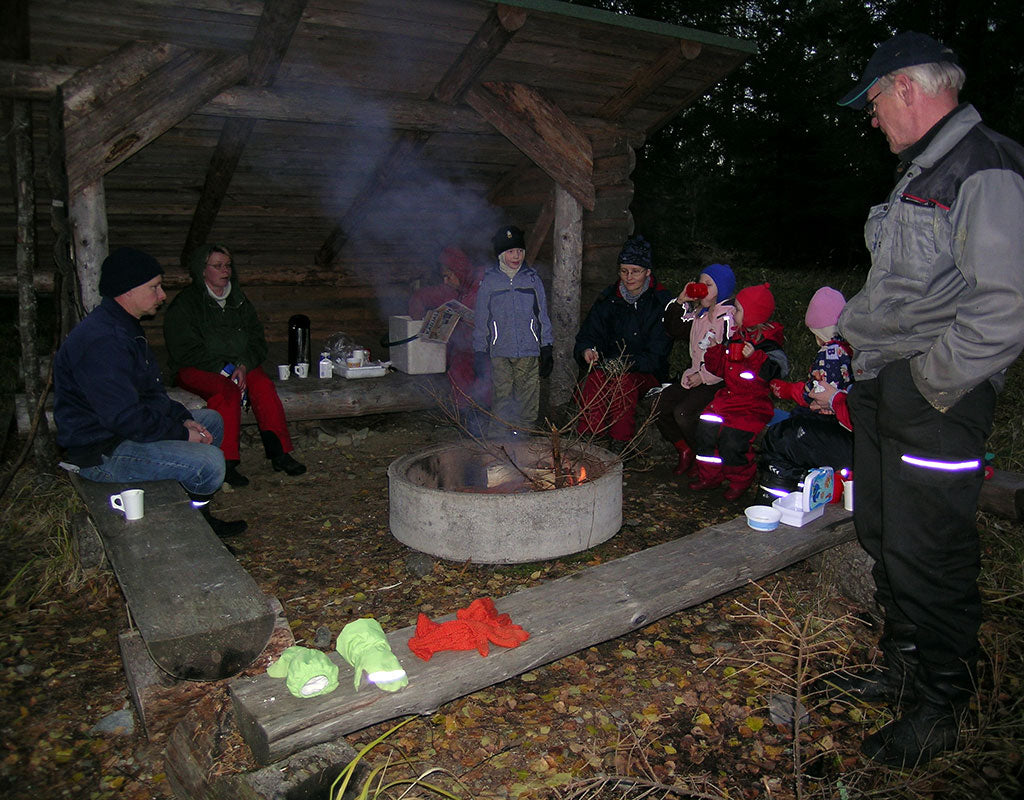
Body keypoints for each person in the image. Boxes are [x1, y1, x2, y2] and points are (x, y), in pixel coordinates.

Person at [832, 31, 1024, 766]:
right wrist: (847, 345)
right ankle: (905, 668)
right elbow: (898, 291)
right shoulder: (923, 171)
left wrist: (927, 384)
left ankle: (944, 703)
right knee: (883, 537)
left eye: (874, 100)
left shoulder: (985, 166)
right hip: (889, 385)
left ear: (908, 86)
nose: (872, 116)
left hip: (935, 394)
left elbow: (1004, 309)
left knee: (929, 551)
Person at [53, 247, 246, 537]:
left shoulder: (125, 327)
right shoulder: (102, 341)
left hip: (122, 432)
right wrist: (181, 434)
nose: (162, 295)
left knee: (211, 421)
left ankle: (196, 513)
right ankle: (192, 530)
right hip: (101, 451)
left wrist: (182, 419)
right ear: (127, 291)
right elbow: (124, 417)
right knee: (210, 463)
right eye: (154, 287)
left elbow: (150, 394)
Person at [164, 244, 306, 488]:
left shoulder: (239, 300)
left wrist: (243, 364)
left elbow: (257, 340)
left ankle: (279, 452)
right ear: (202, 270)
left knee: (262, 385)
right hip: (198, 367)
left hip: (238, 365)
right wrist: (225, 369)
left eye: (228, 265)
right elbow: (185, 349)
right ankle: (226, 461)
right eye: (217, 266)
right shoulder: (186, 304)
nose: (225, 271)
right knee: (225, 391)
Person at [573, 235, 674, 448]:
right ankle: (589, 442)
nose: (629, 277)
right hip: (609, 366)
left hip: (645, 373)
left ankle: (620, 445)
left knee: (623, 384)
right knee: (594, 380)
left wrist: (627, 363)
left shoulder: (661, 302)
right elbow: (588, 334)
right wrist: (587, 351)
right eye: (624, 271)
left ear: (648, 271)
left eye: (635, 271)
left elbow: (658, 353)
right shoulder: (608, 299)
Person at [689, 283, 786, 501]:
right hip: (728, 400)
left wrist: (754, 358)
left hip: (752, 406)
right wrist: (714, 349)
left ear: (754, 314)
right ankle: (710, 475)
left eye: (739, 310)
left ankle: (740, 479)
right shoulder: (736, 336)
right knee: (706, 428)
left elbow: (774, 372)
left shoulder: (769, 345)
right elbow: (720, 369)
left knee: (733, 441)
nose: (734, 313)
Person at [757, 287, 854, 502]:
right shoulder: (852, 348)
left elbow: (816, 392)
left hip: (841, 427)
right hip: (850, 422)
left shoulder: (829, 354)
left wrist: (791, 390)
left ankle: (779, 500)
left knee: (781, 436)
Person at [655, 263, 737, 475]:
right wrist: (681, 301)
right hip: (693, 377)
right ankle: (685, 449)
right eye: (700, 283)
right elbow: (673, 328)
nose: (702, 288)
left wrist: (703, 377)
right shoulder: (700, 314)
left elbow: (729, 359)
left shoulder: (728, 318)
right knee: (659, 405)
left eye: (708, 284)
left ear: (722, 289)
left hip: (717, 382)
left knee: (684, 413)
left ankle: (705, 456)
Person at [473, 225, 554, 436]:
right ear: (501, 254)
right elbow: (481, 319)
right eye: (510, 252)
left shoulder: (532, 280)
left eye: (519, 251)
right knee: (502, 398)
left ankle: (524, 442)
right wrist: (480, 351)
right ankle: (498, 444)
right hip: (499, 352)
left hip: (528, 351)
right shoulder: (490, 282)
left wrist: (546, 346)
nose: (516, 256)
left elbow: (542, 315)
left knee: (528, 399)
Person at [408, 246, 490, 424]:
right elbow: (421, 296)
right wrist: (422, 324)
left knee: (487, 375)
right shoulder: (456, 288)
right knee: (458, 368)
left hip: (490, 347)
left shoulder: (483, 281)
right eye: (443, 276)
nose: (446, 281)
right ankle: (467, 417)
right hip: (467, 347)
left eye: (448, 276)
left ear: (459, 272)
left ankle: (488, 416)